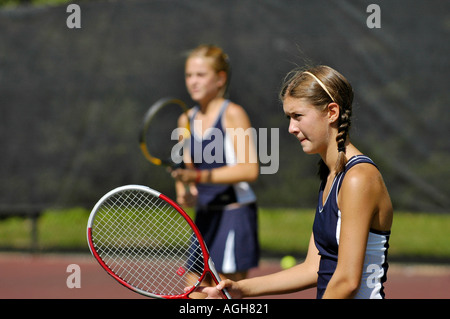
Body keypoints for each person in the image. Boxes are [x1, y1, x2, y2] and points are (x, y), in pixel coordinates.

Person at [197, 65, 393, 299]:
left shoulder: (359, 178)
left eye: (298, 116)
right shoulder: (331, 176)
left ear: (332, 112)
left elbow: (347, 281)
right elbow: (313, 267)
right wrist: (241, 289)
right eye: (288, 118)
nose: (291, 128)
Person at [171, 44, 260, 282]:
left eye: (201, 75)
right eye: (189, 75)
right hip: (204, 217)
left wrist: (199, 178)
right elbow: (185, 171)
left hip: (234, 214)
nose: (193, 82)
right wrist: (185, 192)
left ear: (220, 78)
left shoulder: (233, 113)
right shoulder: (185, 119)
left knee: (225, 294)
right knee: (194, 293)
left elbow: (249, 169)